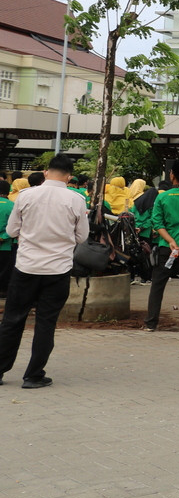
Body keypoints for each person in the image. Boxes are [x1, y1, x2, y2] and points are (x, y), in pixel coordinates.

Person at [0, 154, 88, 388]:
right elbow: (82, 236)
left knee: (12, 320)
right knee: (46, 323)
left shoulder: (25, 195)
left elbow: (11, 231)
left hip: (26, 267)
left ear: (47, 172)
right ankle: (33, 375)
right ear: (69, 176)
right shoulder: (77, 199)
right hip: (57, 270)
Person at [144, 160, 179, 333]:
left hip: (165, 248)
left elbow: (156, 222)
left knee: (157, 285)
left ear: (172, 175)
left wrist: (170, 240)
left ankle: (151, 323)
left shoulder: (162, 197)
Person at [0, 179, 14, 297]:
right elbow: (16, 225)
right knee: (5, 269)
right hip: (6, 245)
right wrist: (4, 236)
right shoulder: (12, 205)